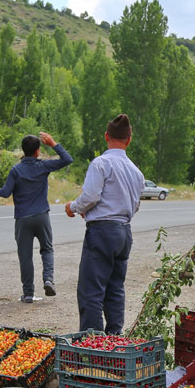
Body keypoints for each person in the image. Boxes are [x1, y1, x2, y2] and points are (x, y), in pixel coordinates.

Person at [65, 114, 145, 334]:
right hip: (123, 232)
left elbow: (90, 196)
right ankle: (114, 340)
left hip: (102, 232)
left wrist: (73, 207)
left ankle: (94, 347)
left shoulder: (101, 163)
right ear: (129, 140)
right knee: (115, 290)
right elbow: (134, 205)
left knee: (91, 291)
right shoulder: (137, 172)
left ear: (106, 136)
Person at [0, 132, 73, 302]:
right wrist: (54, 143)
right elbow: (67, 159)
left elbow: (5, 193)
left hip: (23, 219)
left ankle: (28, 294)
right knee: (47, 249)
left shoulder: (16, 170)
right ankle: (48, 279)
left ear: (23, 150)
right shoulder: (43, 166)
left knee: (25, 256)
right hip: (41, 216)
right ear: (38, 151)